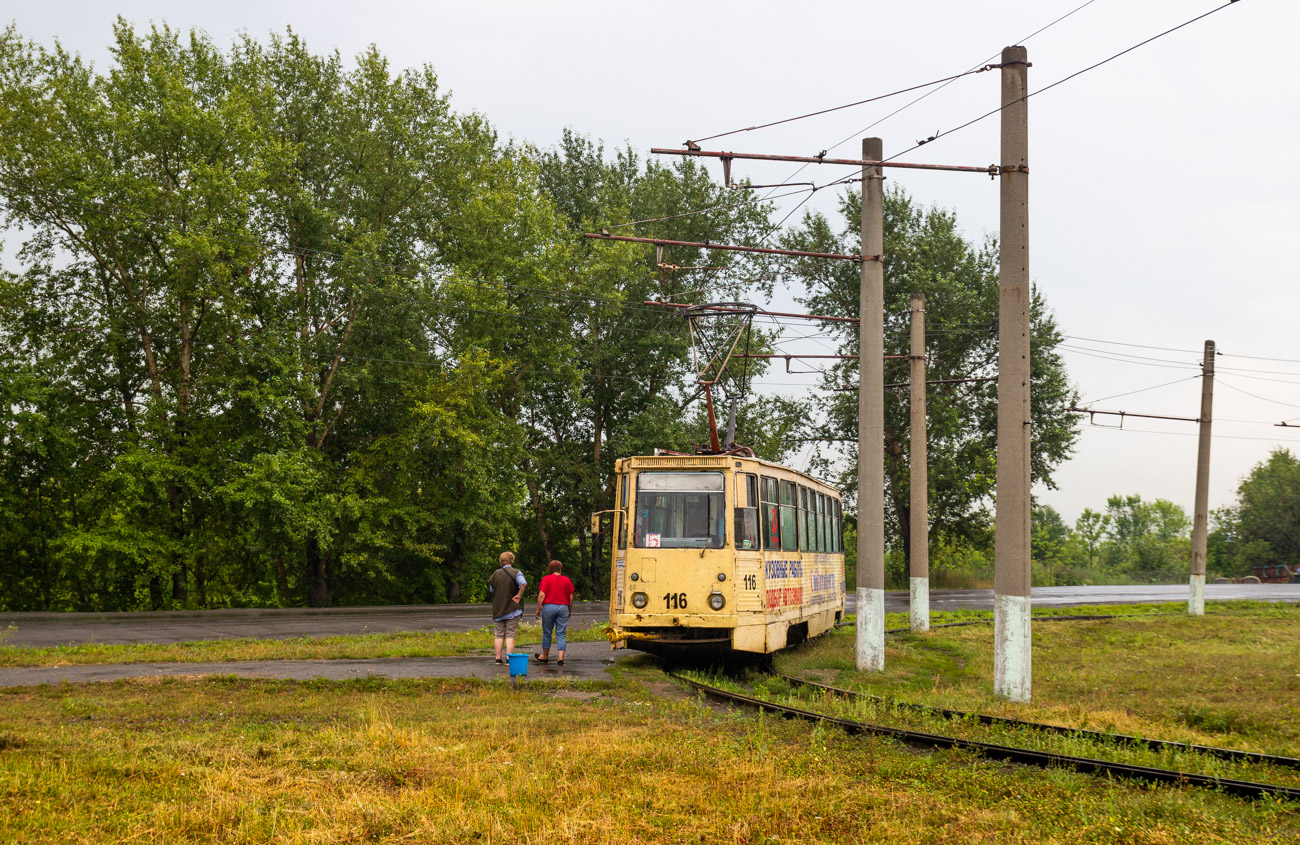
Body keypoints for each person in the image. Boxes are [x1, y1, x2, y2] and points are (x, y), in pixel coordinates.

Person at [487, 551, 527, 665]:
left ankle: (498, 659)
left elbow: (491, 590)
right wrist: (519, 595)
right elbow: (523, 584)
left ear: (501, 561)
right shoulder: (516, 572)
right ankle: (509, 659)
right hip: (513, 609)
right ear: (511, 560)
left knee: (498, 635)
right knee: (510, 634)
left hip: (498, 609)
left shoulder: (495, 574)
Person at [533, 559, 576, 666]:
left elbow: (541, 595)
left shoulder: (546, 579)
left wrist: (538, 609)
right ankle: (560, 658)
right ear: (560, 569)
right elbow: (571, 598)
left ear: (550, 569)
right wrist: (569, 610)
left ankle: (544, 656)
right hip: (563, 607)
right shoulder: (567, 580)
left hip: (549, 607)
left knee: (547, 633)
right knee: (561, 633)